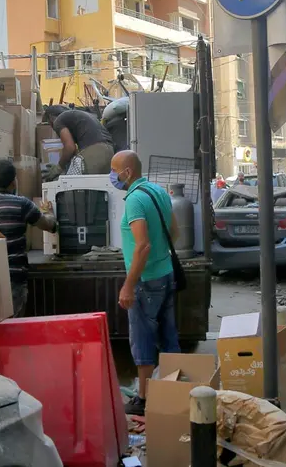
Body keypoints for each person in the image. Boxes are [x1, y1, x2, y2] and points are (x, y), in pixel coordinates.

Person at [111, 150, 180, 416]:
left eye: (114, 169)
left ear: (127, 172)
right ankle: (174, 392)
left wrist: (128, 285)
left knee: (142, 339)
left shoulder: (135, 200)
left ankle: (143, 399)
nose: (112, 175)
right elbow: (174, 231)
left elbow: (142, 246)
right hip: (166, 274)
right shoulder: (158, 192)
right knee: (168, 336)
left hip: (146, 281)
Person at [0, 160, 58, 317]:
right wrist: (49, 212)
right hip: (14, 278)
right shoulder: (21, 204)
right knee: (14, 326)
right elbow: (48, 225)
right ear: (14, 182)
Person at [44, 106, 114, 174]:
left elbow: (70, 148)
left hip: (94, 152)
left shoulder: (58, 121)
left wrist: (59, 167)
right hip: (110, 153)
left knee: (69, 182)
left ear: (50, 118)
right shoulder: (78, 117)